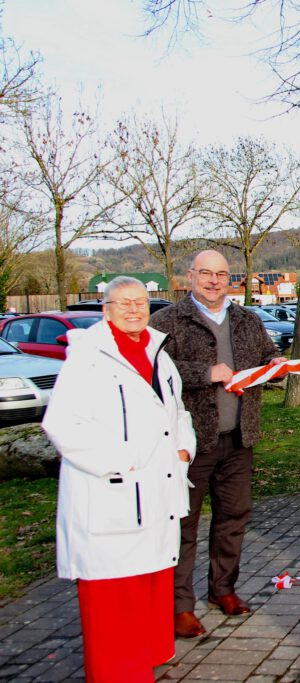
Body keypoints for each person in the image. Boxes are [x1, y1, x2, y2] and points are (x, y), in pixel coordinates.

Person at [43, 277, 196, 682]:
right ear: (105, 308)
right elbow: (61, 424)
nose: (134, 309)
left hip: (157, 490)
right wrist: (121, 462)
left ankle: (148, 655)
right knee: (115, 592)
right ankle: (117, 672)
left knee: (150, 578)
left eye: (141, 302)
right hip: (113, 491)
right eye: (124, 303)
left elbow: (177, 410)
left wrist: (184, 449)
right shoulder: (88, 357)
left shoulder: (157, 352)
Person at [151, 250, 285, 639]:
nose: (213, 281)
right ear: (189, 276)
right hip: (190, 444)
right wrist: (204, 372)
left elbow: (267, 356)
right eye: (205, 273)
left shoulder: (247, 319)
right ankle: (180, 606)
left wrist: (274, 368)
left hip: (239, 438)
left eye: (221, 274)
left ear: (232, 279)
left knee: (233, 519)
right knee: (184, 525)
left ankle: (222, 590)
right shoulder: (166, 322)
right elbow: (154, 373)